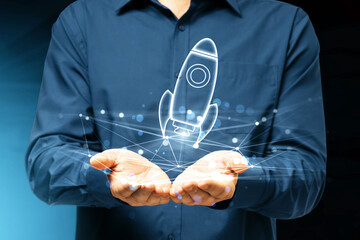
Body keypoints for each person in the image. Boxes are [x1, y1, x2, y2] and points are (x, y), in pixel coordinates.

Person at [26, 0, 327, 239]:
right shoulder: (82, 21)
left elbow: (307, 172)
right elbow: (46, 162)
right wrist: (107, 177)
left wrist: (242, 179)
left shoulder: (285, 25)